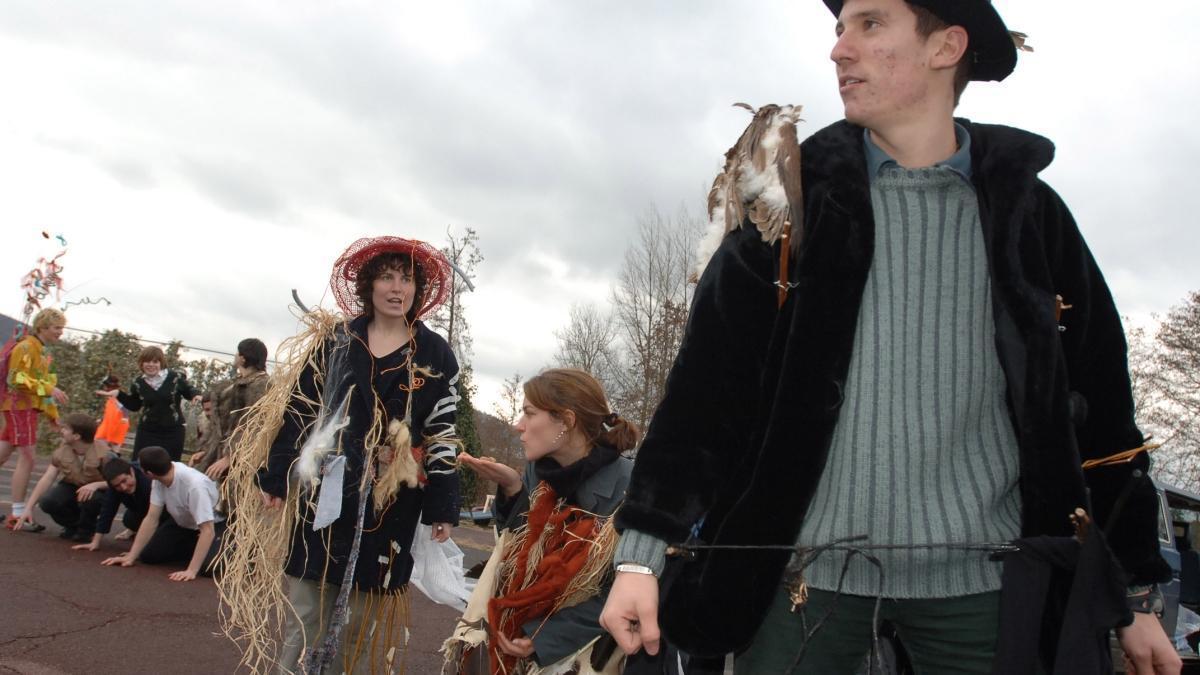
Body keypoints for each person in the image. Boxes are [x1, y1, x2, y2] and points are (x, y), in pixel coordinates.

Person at [599, 1, 1180, 674]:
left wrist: (1136, 595)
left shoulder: (1033, 220)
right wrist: (641, 553)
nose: (839, 50)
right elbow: (703, 398)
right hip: (800, 588)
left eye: (870, 25)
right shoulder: (787, 213)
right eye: (840, 28)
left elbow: (1104, 417)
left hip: (987, 594)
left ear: (946, 46)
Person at [219, 236, 462, 674]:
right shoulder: (336, 340)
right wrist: (275, 476)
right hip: (324, 493)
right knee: (306, 614)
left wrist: (443, 502)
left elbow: (444, 432)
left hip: (390, 501)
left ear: (417, 290)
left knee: (360, 624)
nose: (396, 288)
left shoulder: (435, 353)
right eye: (387, 277)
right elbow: (299, 410)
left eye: (406, 279)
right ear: (369, 285)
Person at [448, 369, 640, 674]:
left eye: (528, 413)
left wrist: (545, 638)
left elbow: (626, 592)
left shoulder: (631, 488)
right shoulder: (539, 471)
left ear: (566, 421)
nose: (518, 426)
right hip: (516, 639)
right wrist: (512, 491)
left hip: (586, 657)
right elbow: (516, 558)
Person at [101, 446, 224, 581]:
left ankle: (222, 546)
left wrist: (191, 571)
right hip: (184, 524)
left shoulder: (195, 485)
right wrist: (131, 556)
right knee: (148, 556)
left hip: (214, 524)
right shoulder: (158, 480)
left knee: (208, 568)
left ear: (148, 473)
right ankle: (195, 547)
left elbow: (208, 530)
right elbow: (151, 518)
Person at [0, 307, 69, 529]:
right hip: (19, 407)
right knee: (28, 457)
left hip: (26, 408)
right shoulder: (27, 347)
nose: (60, 332)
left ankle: (18, 513)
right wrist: (48, 389)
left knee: (4, 452)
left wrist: (52, 415)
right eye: (57, 328)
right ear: (43, 327)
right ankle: (18, 514)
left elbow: (44, 385)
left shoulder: (42, 352)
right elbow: (16, 379)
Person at [98, 345, 200, 462]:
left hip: (172, 432)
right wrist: (118, 394)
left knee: (169, 466)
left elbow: (188, 390)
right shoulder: (138, 383)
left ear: (161, 363)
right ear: (141, 363)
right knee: (141, 464)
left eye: (155, 361)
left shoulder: (174, 378)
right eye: (147, 361)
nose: (151, 364)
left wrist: (195, 395)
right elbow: (134, 405)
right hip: (147, 431)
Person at [14, 412, 106, 540]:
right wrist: (28, 508)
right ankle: (75, 525)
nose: (61, 431)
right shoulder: (63, 450)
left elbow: (117, 481)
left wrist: (95, 485)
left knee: (91, 499)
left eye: (66, 429)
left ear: (76, 436)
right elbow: (48, 477)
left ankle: (87, 530)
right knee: (48, 501)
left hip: (99, 491)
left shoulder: (104, 454)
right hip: (73, 485)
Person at [196, 338, 270, 482]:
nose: (235, 356)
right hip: (220, 454)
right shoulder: (236, 384)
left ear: (242, 358)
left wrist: (231, 456)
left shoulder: (260, 385)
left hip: (242, 462)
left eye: (237, 353)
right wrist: (205, 452)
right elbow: (220, 425)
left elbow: (253, 423)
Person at [72, 457, 153, 552]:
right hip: (140, 511)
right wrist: (95, 542)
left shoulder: (148, 481)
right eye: (117, 485)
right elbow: (107, 510)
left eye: (124, 481)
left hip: (164, 514)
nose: (123, 487)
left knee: (150, 551)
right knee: (129, 520)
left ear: (131, 471)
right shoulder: (114, 487)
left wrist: (135, 552)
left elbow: (155, 516)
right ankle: (137, 530)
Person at [93, 374, 131, 452]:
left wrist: (124, 419)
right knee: (98, 444)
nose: (105, 388)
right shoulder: (110, 398)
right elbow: (111, 412)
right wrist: (102, 419)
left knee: (113, 450)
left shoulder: (119, 396)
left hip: (116, 426)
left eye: (106, 386)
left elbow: (125, 409)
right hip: (108, 425)